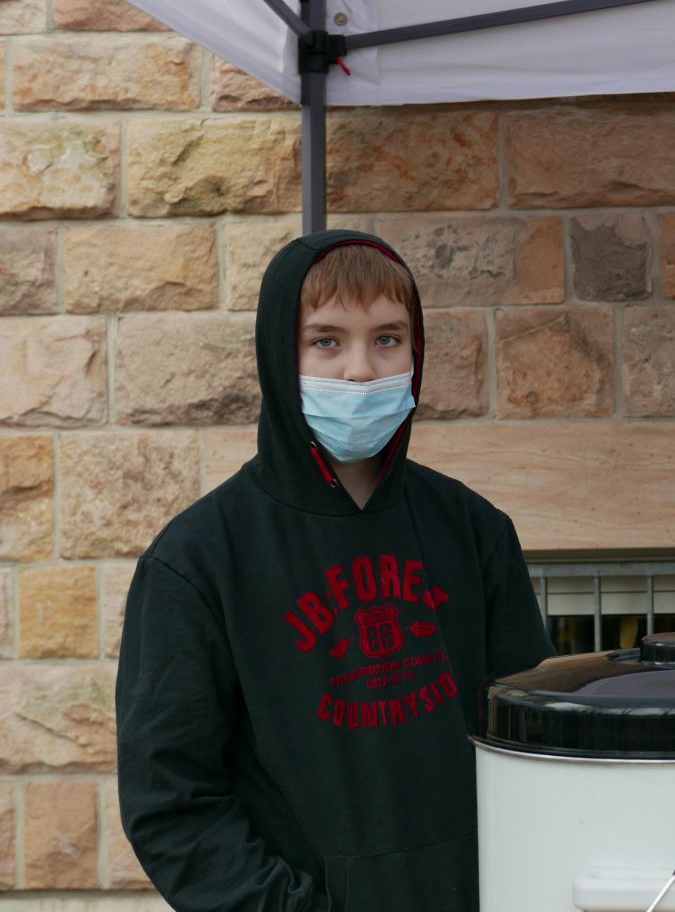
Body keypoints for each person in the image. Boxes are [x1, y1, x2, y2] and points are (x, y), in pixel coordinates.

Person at [116, 230, 556, 911]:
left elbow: (534, 747)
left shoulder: (473, 532)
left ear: (416, 352)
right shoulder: (199, 561)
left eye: (387, 339)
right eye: (326, 341)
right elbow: (172, 803)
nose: (360, 371)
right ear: (278, 355)